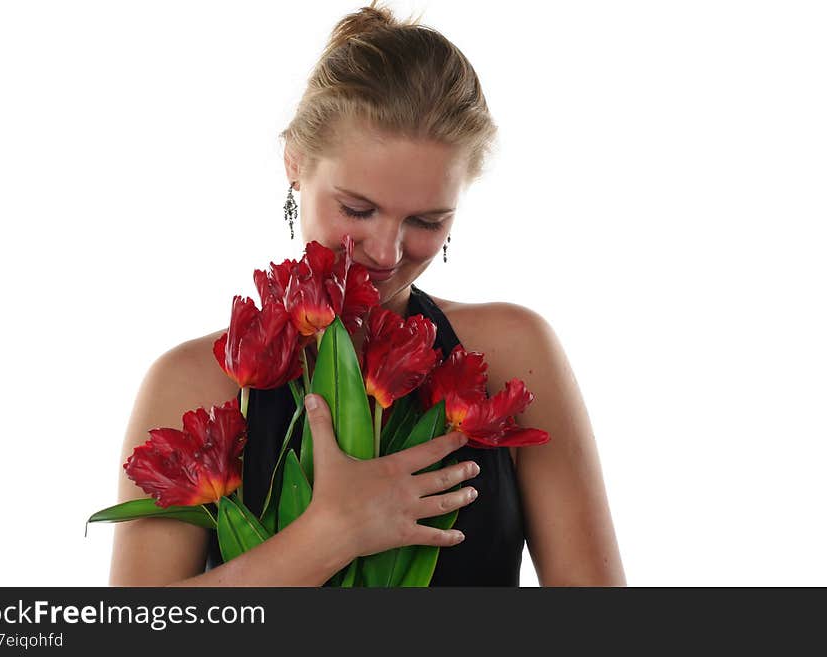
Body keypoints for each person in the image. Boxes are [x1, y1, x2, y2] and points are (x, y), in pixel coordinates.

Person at [109, 1, 626, 587]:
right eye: (359, 209)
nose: (386, 252)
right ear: (295, 165)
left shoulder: (511, 350)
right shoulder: (192, 380)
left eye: (428, 221)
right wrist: (331, 534)